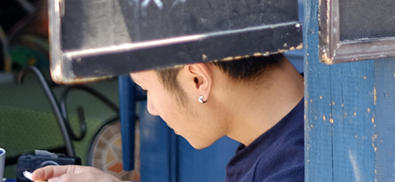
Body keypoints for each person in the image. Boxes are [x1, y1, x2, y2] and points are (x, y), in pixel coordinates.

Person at [31, 54, 305, 182]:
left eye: (147, 89)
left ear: (198, 80)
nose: (151, 108)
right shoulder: (308, 120)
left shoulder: (294, 172)